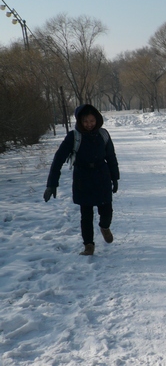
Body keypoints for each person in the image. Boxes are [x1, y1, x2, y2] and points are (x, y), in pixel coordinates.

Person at [44, 104, 120, 256]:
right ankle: (88, 245)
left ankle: (104, 227)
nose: (89, 124)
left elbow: (111, 157)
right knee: (86, 214)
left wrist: (115, 177)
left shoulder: (103, 135)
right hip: (82, 178)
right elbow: (58, 159)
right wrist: (52, 183)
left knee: (106, 211)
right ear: (79, 121)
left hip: (101, 176)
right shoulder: (73, 137)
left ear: (97, 119)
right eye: (85, 121)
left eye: (92, 121)